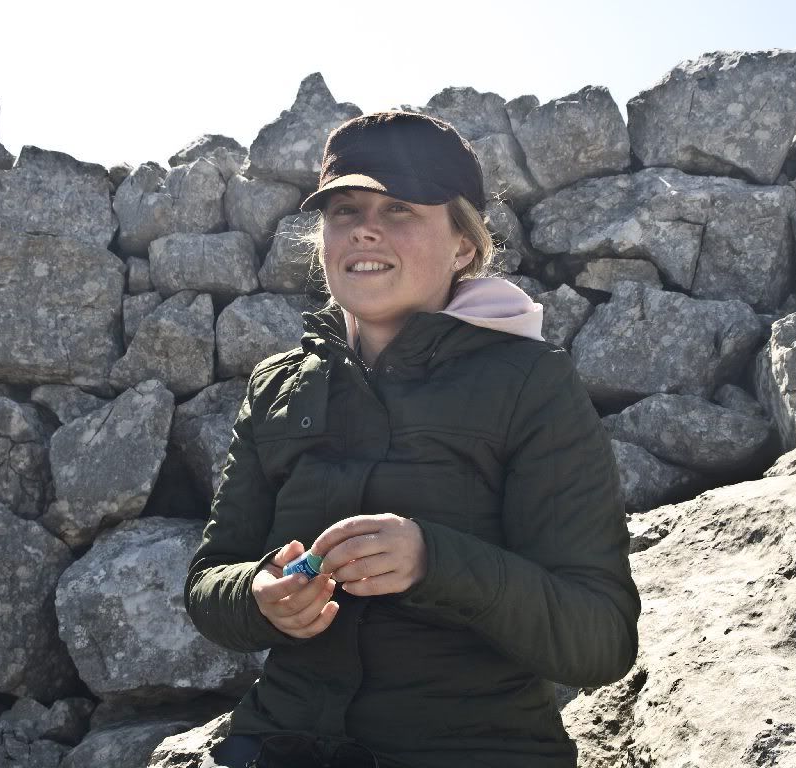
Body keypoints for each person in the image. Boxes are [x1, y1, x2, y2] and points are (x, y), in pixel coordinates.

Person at [185, 111, 639, 768]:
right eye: (344, 210)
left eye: (399, 208)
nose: (364, 228)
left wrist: (434, 562)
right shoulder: (276, 385)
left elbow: (600, 638)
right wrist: (258, 596)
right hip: (279, 743)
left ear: (463, 246)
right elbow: (208, 582)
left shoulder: (531, 383)